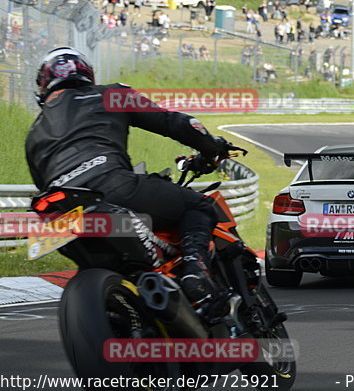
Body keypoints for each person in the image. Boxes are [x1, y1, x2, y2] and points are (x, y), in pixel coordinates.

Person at [25, 47, 231, 306]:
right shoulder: (110, 94)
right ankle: (194, 272)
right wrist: (212, 148)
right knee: (198, 205)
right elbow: (176, 124)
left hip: (58, 210)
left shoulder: (34, 132)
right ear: (87, 73)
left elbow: (40, 183)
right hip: (109, 184)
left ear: (44, 85)